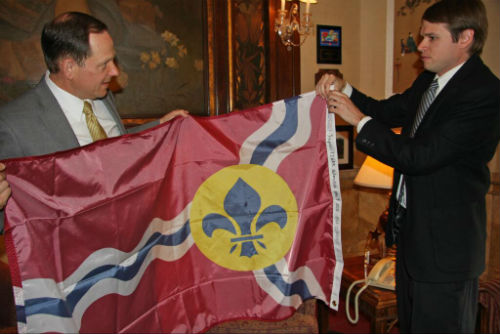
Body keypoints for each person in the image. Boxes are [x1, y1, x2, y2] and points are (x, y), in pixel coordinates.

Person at [316, 0, 499, 332]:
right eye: (421, 36)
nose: (421, 45)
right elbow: (386, 110)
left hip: (447, 253)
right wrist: (345, 89)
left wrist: (357, 120)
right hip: (414, 242)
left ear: (465, 38)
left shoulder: (484, 93)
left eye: (431, 38)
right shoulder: (431, 81)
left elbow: (420, 157)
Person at [0, 12, 189, 232]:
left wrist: (159, 127)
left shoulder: (103, 96)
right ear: (69, 67)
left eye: (113, 59)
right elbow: (14, 221)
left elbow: (115, 146)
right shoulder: (12, 125)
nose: (115, 71)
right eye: (104, 64)